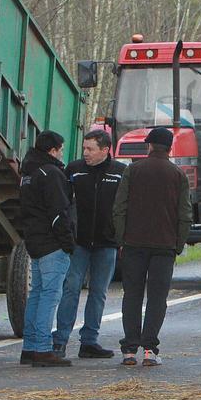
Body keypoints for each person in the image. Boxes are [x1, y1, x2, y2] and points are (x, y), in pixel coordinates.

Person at [113, 127, 191, 367]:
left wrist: (121, 240)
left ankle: (129, 350)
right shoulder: (178, 175)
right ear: (169, 148)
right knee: (157, 298)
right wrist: (177, 245)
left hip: (134, 244)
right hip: (164, 246)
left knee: (132, 295)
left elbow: (119, 208)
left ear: (149, 146)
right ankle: (149, 349)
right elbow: (185, 215)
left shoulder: (132, 171)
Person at [52, 129, 125, 359]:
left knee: (99, 292)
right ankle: (60, 340)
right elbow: (63, 203)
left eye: (90, 149)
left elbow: (126, 207)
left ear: (105, 150)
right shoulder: (73, 170)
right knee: (71, 288)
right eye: (84, 148)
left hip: (107, 243)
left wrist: (121, 236)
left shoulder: (121, 172)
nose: (85, 153)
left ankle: (89, 341)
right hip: (79, 242)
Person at [19, 131, 75, 368]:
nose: (61, 153)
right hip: (52, 243)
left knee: (37, 294)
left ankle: (29, 346)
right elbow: (59, 212)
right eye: (60, 149)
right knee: (50, 296)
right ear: (52, 150)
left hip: (34, 240)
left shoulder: (28, 174)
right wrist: (68, 242)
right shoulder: (51, 174)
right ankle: (43, 348)